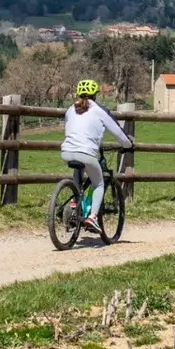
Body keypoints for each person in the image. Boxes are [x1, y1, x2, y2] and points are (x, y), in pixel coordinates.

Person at [60, 79, 134, 235]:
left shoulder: (70, 110)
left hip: (66, 152)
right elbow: (117, 131)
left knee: (78, 168)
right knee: (99, 183)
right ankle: (92, 217)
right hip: (86, 153)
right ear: (95, 95)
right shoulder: (99, 110)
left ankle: (75, 201)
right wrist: (128, 145)